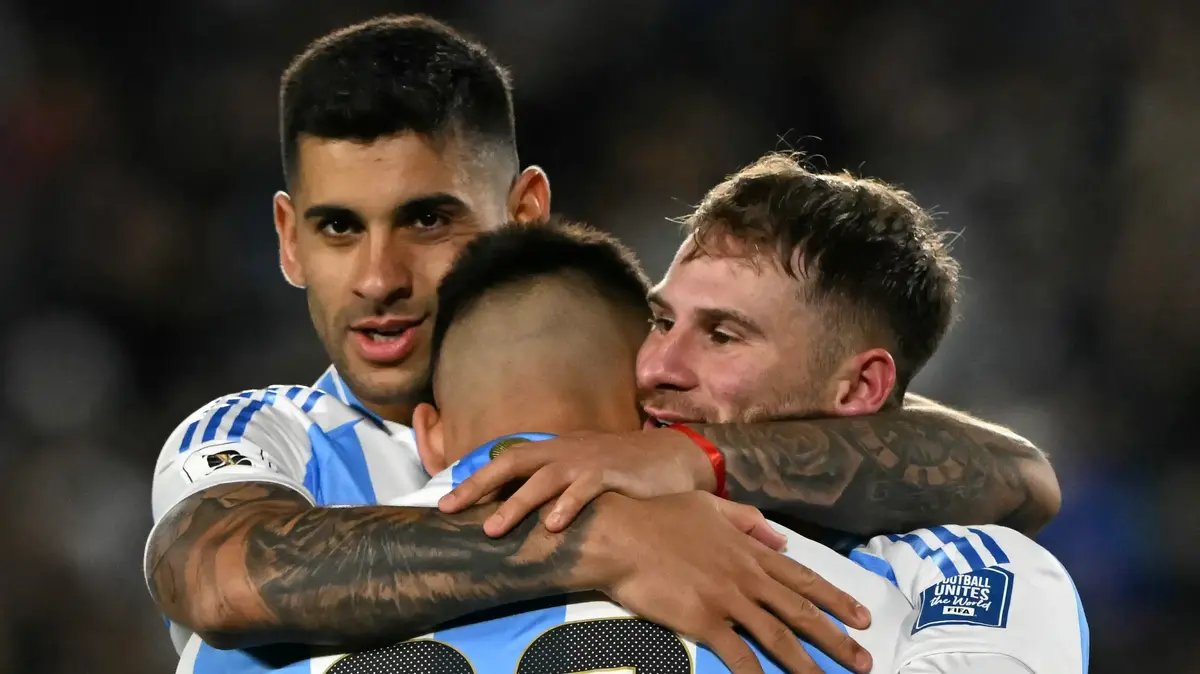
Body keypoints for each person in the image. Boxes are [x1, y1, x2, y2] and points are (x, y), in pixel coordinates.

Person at [145, 13, 1062, 673]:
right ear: (288, 241)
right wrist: (597, 537)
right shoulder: (268, 437)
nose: (379, 278)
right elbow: (220, 579)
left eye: (428, 220)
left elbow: (1011, 472)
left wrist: (686, 458)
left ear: (525, 214)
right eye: (339, 229)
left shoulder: (655, 396)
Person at [329, 213, 1082, 674]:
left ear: (859, 389)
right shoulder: (902, 591)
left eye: (722, 336)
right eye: (660, 323)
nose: (657, 367)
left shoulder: (315, 578)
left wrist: (695, 459)